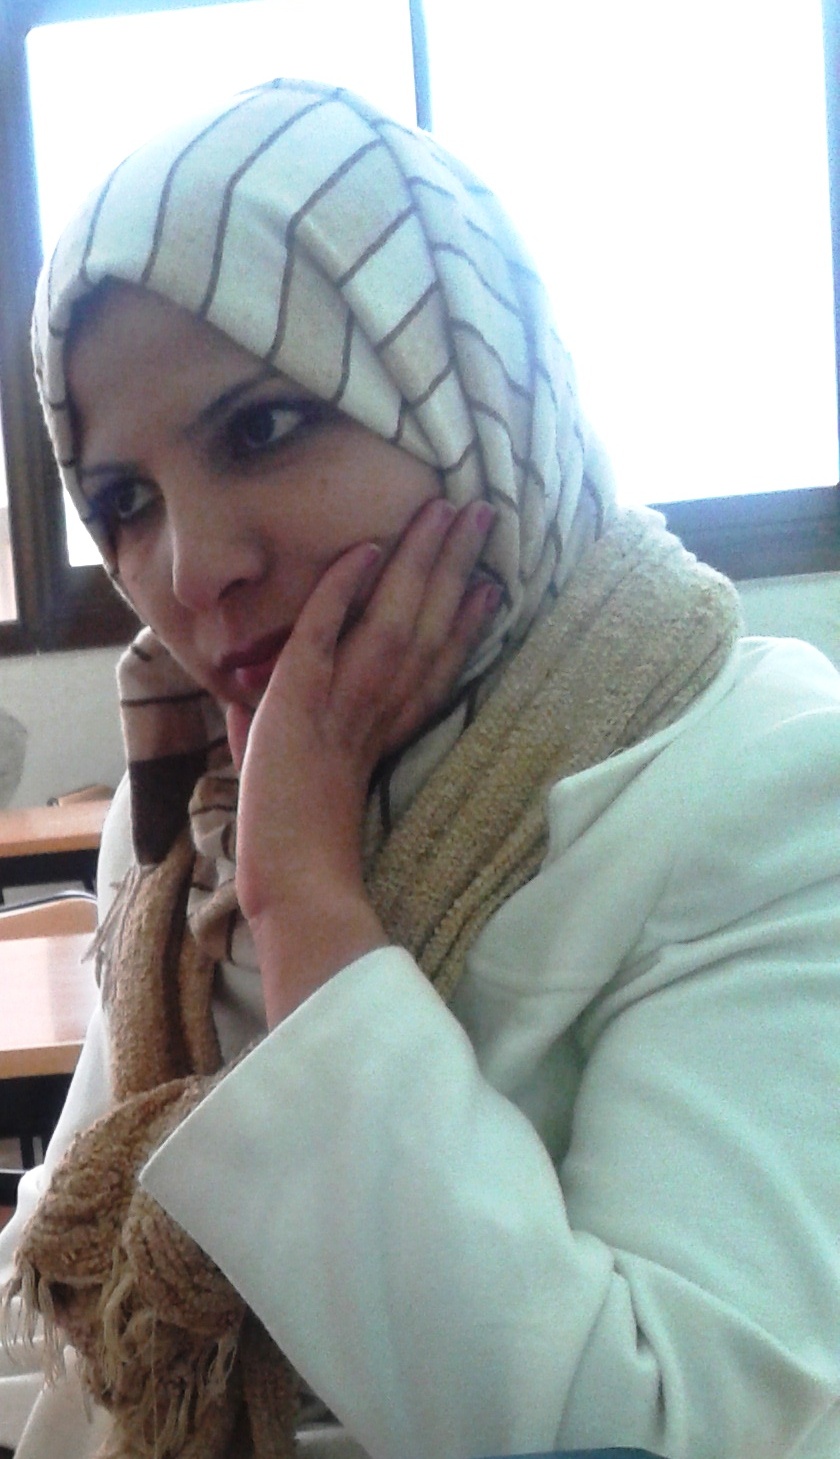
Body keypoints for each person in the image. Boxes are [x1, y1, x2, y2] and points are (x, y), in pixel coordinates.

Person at [1, 76, 839, 1459]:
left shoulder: (768, 779)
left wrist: (310, 910)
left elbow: (638, 1429)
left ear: (467, 395)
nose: (191, 570)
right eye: (123, 502)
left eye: (263, 429)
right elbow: (81, 1268)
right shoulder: (186, 814)